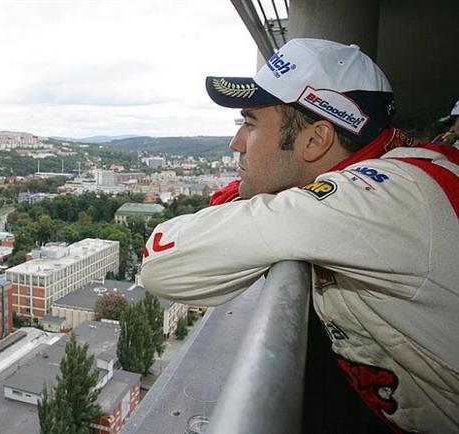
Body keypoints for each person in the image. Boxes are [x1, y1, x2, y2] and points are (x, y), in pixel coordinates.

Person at [140, 38, 459, 433]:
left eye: (250, 123)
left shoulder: (387, 199)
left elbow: (163, 262)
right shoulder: (390, 184)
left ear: (315, 140)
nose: (235, 142)